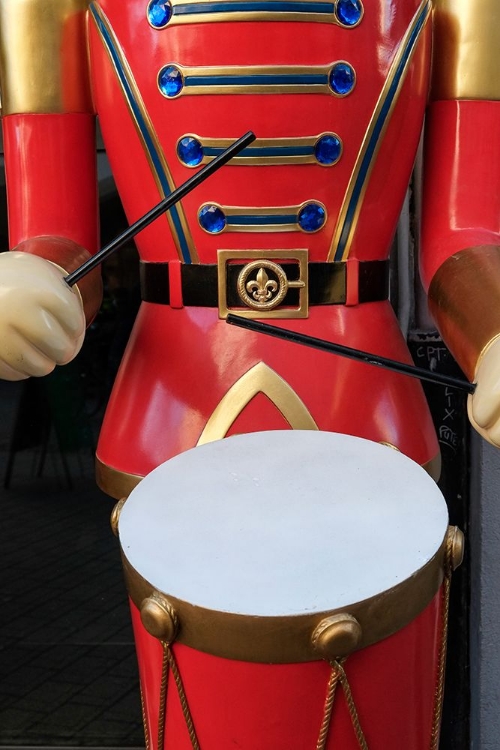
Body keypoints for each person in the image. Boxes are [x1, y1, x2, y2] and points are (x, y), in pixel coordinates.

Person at [0, 0, 498, 500]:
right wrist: (34, 279)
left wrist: (491, 334)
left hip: (360, 389)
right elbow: (58, 235)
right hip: (174, 397)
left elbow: (467, 233)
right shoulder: (49, 6)